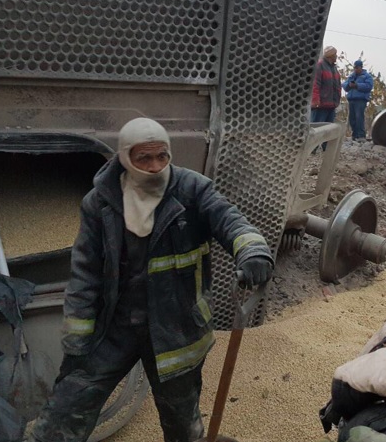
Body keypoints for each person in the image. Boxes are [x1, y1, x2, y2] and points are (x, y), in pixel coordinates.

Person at [27, 118, 274, 442]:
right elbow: (85, 273)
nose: (155, 166)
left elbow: (230, 219)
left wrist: (252, 251)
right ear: (125, 158)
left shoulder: (191, 190)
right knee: (66, 409)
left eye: (162, 156)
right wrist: (77, 341)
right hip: (114, 327)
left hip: (175, 327)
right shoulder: (100, 202)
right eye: (144, 158)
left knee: (181, 420)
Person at [311, 45, 342, 151]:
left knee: (329, 129)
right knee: (317, 128)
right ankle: (312, 149)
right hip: (321, 104)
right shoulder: (319, 66)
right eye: (335, 55)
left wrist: (337, 100)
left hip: (331, 104)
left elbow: (337, 84)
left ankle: (326, 149)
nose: (336, 57)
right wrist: (315, 100)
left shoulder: (333, 68)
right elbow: (315, 84)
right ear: (330, 56)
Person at [342, 59, 374, 141]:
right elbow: (344, 84)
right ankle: (354, 134)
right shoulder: (352, 76)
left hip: (360, 100)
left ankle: (361, 135)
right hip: (351, 99)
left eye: (357, 68)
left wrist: (357, 85)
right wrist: (349, 85)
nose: (356, 69)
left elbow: (368, 86)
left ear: (361, 67)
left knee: (359, 117)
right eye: (355, 68)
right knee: (352, 118)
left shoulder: (367, 76)